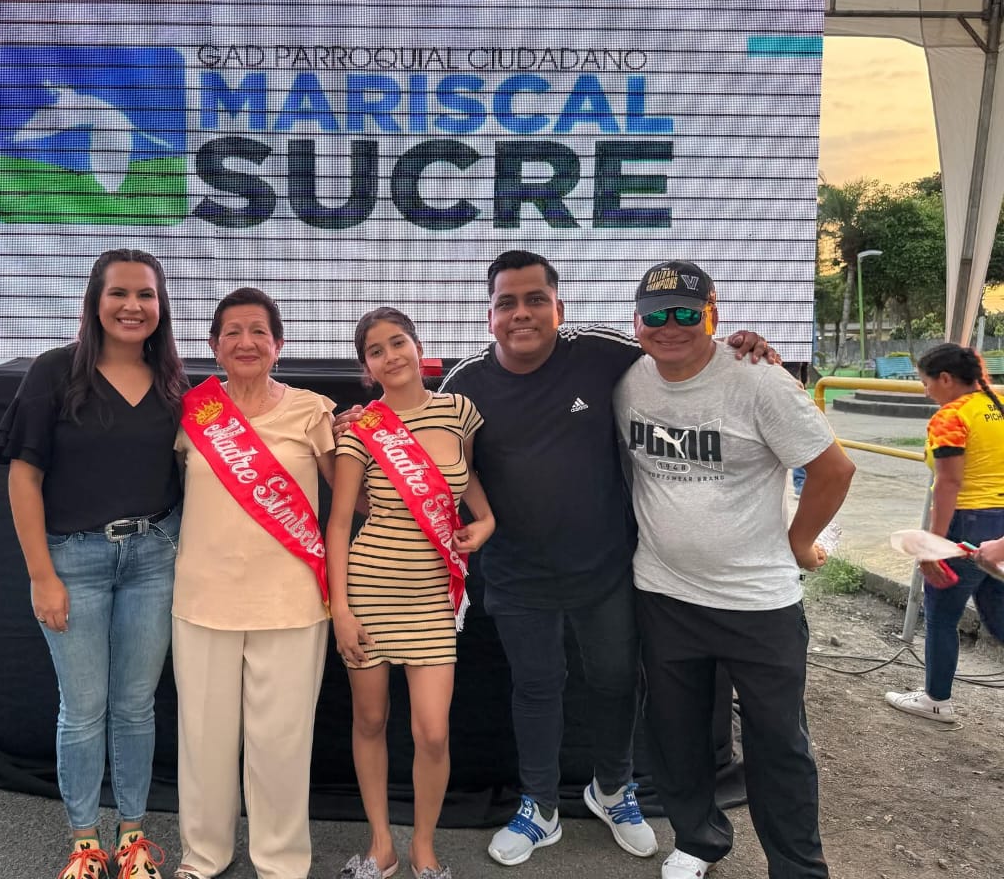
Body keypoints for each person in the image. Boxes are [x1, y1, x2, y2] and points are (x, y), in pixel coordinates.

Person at [428, 250, 772, 867]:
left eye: (536, 299)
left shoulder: (602, 353)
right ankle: (540, 806)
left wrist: (739, 345)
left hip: (607, 570)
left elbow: (679, 348)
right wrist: (360, 423)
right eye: (507, 303)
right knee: (536, 687)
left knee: (615, 682)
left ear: (559, 308)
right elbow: (423, 449)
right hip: (516, 575)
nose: (522, 313)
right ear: (490, 316)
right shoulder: (465, 384)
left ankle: (612, 789)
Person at [616, 259, 854, 879]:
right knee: (677, 736)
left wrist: (799, 544)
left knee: (779, 745)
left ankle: (797, 868)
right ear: (637, 323)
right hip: (664, 593)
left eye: (686, 312)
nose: (670, 325)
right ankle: (697, 841)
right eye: (655, 314)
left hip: (757, 601)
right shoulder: (628, 380)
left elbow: (833, 470)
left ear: (713, 315)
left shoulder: (758, 380)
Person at [0, 249, 185, 879]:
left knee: (135, 706)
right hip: (73, 561)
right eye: (119, 293)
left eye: (146, 295)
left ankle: (132, 838)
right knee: (82, 709)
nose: (133, 306)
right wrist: (41, 575)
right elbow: (23, 478)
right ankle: (84, 843)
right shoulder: (54, 372)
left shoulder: (174, 382)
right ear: (95, 302)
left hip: (154, 558)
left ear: (161, 305)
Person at [327, 308, 496, 879]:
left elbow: (463, 479)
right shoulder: (361, 428)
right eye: (375, 351)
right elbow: (339, 523)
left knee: (433, 732)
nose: (390, 356)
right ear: (367, 367)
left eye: (397, 342)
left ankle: (424, 847)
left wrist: (487, 521)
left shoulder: (458, 410)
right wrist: (340, 610)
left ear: (418, 347)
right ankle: (382, 846)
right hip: (370, 591)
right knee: (370, 721)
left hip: (431, 598)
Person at [173, 288, 335, 879]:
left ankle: (281, 862)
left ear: (278, 344)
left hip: (292, 602)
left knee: (282, 745)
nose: (246, 342)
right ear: (214, 345)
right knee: (203, 741)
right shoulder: (192, 412)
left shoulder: (313, 412)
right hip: (202, 599)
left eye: (259, 332)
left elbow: (352, 500)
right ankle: (204, 855)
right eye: (233, 332)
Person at [884, 344, 1004, 723]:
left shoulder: (951, 416)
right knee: (999, 615)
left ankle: (936, 699)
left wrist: (931, 545)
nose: (925, 391)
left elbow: (948, 483)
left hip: (966, 523)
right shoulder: (998, 405)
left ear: (947, 379)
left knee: (940, 615)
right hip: (1001, 528)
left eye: (926, 383)